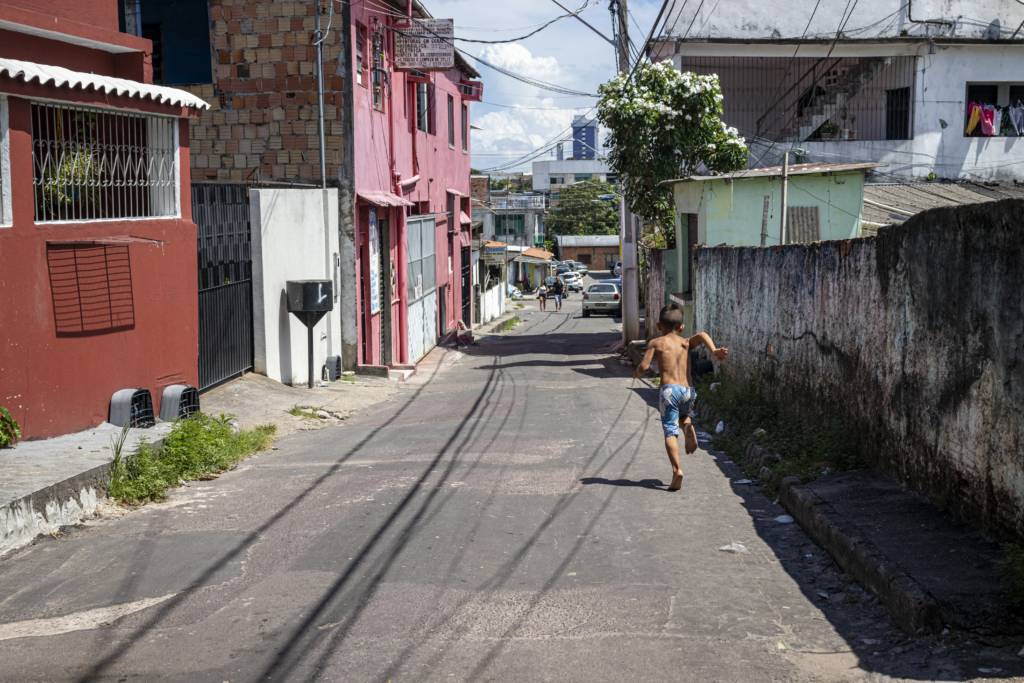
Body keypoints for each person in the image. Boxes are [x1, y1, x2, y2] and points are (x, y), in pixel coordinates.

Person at [634, 304, 728, 492]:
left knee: (670, 431)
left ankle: (677, 470)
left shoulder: (656, 342)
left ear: (659, 326)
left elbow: (644, 367)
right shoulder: (685, 342)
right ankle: (687, 425)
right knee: (683, 415)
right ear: (681, 327)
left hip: (669, 391)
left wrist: (637, 372)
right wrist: (715, 350)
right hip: (688, 391)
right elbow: (701, 335)